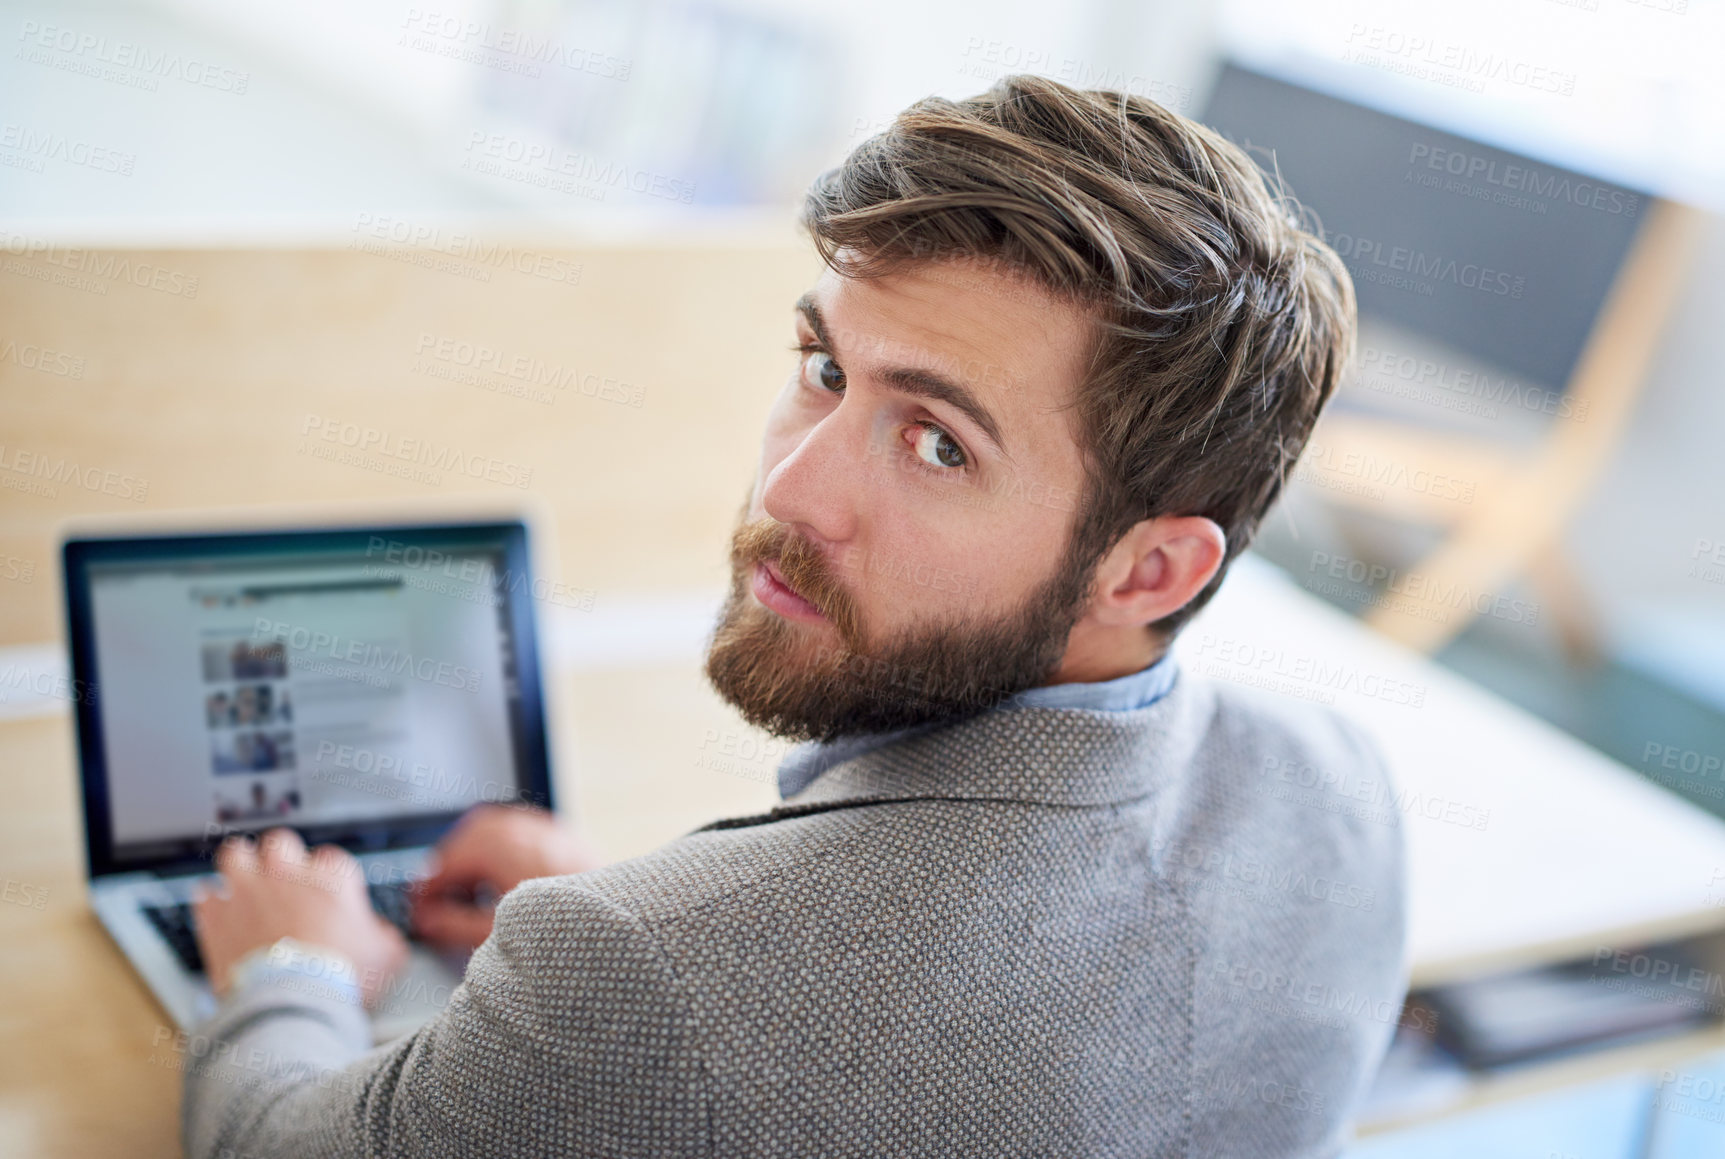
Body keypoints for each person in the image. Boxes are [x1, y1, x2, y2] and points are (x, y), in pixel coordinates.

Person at [185, 75, 1405, 1158]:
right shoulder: (1339, 788)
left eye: (937, 443)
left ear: (1148, 572)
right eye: (825, 369)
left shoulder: (634, 979)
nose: (790, 489)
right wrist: (677, 931)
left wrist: (292, 970)